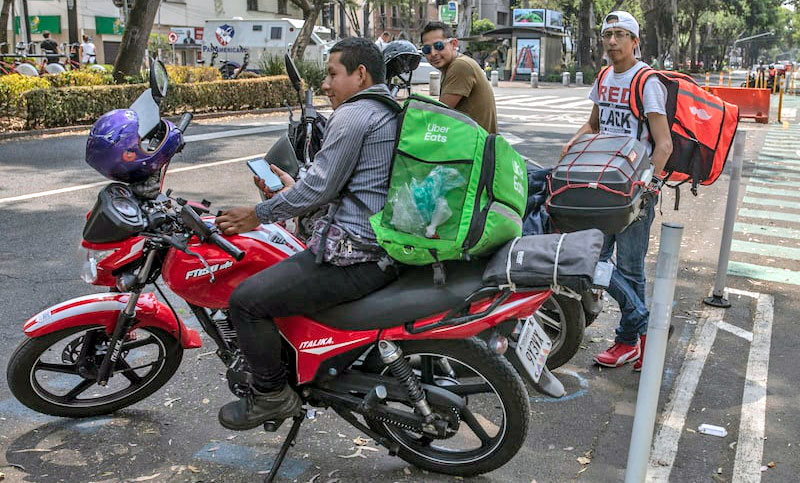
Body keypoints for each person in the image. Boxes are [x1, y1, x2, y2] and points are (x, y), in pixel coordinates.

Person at [213, 37, 400, 430]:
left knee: (245, 301)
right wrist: (291, 185)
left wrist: (258, 214)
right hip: (379, 247)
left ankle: (271, 395)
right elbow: (332, 181)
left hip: (355, 255)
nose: (326, 85)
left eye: (333, 74)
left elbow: (319, 189)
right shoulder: (388, 110)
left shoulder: (354, 114)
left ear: (360, 74)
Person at [561, 10, 672, 371]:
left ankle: (629, 340)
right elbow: (595, 123)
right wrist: (571, 146)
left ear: (635, 41)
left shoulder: (646, 81)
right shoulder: (605, 76)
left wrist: (649, 187)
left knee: (629, 266)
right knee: (593, 261)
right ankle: (641, 327)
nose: (611, 41)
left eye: (620, 34)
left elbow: (664, 144)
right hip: (603, 187)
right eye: (608, 34)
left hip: (634, 190)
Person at [421, 21, 497, 133]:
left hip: (474, 147)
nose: (433, 53)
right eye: (427, 49)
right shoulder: (453, 66)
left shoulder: (460, 65)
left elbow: (440, 114)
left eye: (439, 46)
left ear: (454, 44)